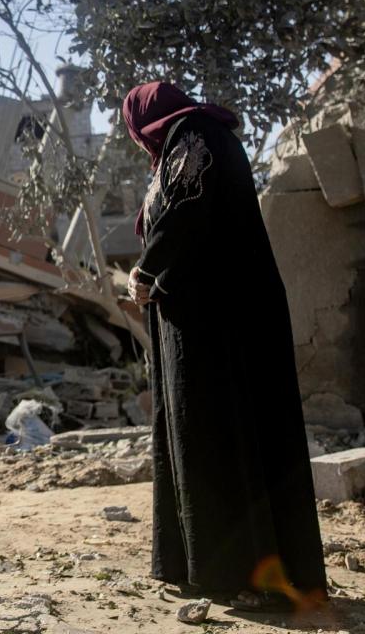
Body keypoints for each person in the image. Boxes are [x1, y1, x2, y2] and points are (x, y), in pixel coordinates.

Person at [123, 81, 327, 612]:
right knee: (216, 435)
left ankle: (243, 574)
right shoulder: (196, 137)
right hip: (211, 318)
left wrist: (146, 270)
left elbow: (186, 213)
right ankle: (209, 567)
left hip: (217, 326)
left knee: (221, 435)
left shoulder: (194, 134)